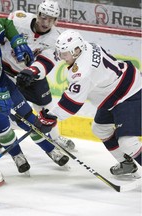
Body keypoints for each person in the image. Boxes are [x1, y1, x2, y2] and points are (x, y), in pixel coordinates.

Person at [0, 14, 70, 174]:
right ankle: (17, 156)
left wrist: (17, 41)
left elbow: (6, 23)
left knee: (28, 117)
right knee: (0, 121)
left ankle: (51, 150)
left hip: (1, 80)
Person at [37, 29, 141, 177]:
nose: (60, 57)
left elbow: (73, 102)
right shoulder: (88, 45)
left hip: (130, 93)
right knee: (100, 129)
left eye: (64, 53)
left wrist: (51, 116)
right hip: (114, 93)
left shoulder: (81, 71)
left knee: (128, 143)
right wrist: (51, 115)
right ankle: (126, 163)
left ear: (76, 50)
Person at [0, 0, 76, 152]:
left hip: (31, 76)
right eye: (43, 17)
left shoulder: (56, 38)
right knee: (9, 112)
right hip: (4, 73)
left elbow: (47, 61)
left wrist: (32, 72)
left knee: (47, 107)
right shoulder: (18, 19)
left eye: (51, 19)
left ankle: (56, 139)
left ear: (56, 20)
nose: (46, 22)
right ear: (38, 14)